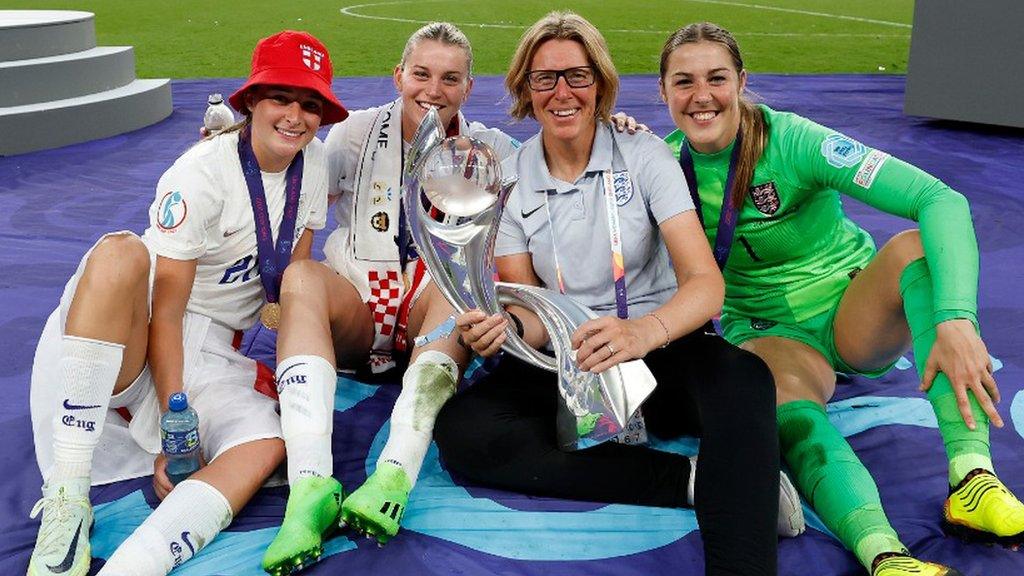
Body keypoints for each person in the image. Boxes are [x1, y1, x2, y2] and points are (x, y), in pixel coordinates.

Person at [657, 21, 1024, 576]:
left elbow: (938, 198)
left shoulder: (796, 140)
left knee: (912, 251)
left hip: (853, 312)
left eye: (717, 78)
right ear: (662, 91)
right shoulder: (656, 163)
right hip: (769, 335)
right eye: (683, 82)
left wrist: (956, 319)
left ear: (741, 81)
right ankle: (884, 553)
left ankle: (972, 477)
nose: (701, 96)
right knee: (781, 405)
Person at [434, 12, 785, 576]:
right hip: (574, 358)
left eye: (577, 75)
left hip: (659, 347)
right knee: (465, 435)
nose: (562, 92)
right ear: (526, 89)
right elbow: (531, 305)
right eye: (544, 78)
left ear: (600, 82)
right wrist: (505, 329)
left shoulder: (645, 155)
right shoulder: (513, 177)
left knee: (745, 381)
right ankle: (697, 481)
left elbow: (705, 283)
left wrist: (642, 333)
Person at [25, 30, 344, 576]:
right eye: (281, 98)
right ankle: (68, 496)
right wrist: (180, 424)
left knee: (267, 444)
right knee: (120, 252)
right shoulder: (200, 173)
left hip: (214, 349)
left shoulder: (312, 165)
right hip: (132, 330)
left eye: (311, 104)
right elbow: (167, 312)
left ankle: (138, 565)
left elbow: (292, 278)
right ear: (250, 101)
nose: (296, 115)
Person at [259, 22, 521, 575]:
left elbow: (560, 159)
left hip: (434, 317)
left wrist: (618, 128)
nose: (434, 89)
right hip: (360, 309)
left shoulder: (492, 150)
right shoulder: (352, 133)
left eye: (450, 79)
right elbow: (289, 184)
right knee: (302, 276)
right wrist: (232, 137)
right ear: (399, 75)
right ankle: (309, 487)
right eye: (421, 73)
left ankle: (395, 471)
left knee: (465, 290)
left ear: (468, 89)